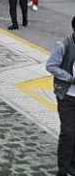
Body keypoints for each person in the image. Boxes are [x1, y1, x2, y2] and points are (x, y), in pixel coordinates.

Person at [46, 16, 75, 176]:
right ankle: (63, 169)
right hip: (67, 96)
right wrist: (69, 78)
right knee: (68, 132)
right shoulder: (63, 45)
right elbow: (51, 66)